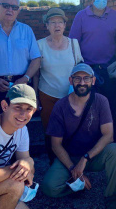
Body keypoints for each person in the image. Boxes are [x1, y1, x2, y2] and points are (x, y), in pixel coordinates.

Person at [41, 63, 116, 209]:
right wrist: (74, 168)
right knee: (49, 187)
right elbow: (55, 144)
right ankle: (76, 185)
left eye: (86, 78)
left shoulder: (101, 101)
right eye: (77, 78)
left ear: (93, 81)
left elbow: (108, 135)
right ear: (70, 81)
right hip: (69, 156)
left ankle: (112, 195)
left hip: (94, 155)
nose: (82, 82)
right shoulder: (60, 106)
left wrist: (85, 159)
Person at [68, 0, 116, 141]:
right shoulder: (81, 16)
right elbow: (73, 43)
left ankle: (112, 144)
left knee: (110, 108)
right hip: (87, 71)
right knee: (88, 108)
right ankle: (90, 144)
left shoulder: (115, 16)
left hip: (108, 70)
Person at [33, 8, 83, 163]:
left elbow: (79, 68)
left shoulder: (74, 44)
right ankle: (53, 164)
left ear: (64, 25)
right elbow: (36, 72)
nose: (57, 25)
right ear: (46, 25)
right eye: (53, 22)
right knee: (50, 132)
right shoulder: (39, 45)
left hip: (70, 96)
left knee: (71, 130)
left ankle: (71, 165)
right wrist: (35, 95)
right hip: (48, 96)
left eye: (60, 22)